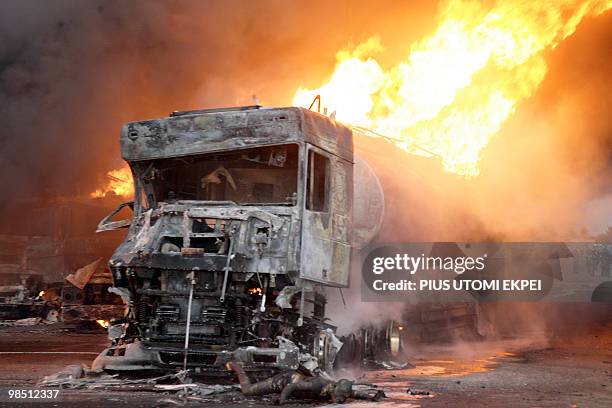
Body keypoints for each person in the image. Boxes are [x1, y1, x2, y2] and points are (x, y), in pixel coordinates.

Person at [226, 361, 385, 404]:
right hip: (284, 381)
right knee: (248, 391)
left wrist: (372, 398)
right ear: (334, 390)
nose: (341, 400)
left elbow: (356, 393)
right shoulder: (318, 386)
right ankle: (236, 366)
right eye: (340, 397)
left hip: (294, 384)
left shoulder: (342, 390)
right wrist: (282, 401)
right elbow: (291, 386)